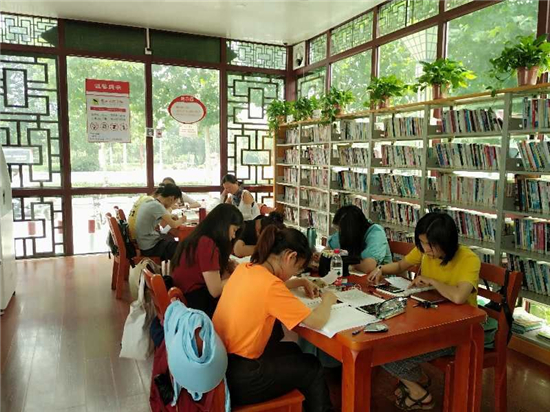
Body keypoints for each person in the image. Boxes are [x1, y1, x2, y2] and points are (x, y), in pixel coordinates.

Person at [213, 226, 336, 412]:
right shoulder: (271, 286)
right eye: (296, 269)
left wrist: (302, 281)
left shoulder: (245, 269)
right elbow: (317, 321)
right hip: (243, 378)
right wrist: (328, 300)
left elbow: (268, 288)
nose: (293, 274)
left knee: (293, 350)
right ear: (290, 256)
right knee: (312, 367)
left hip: (222, 366)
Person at [367, 212, 481, 410]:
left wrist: (432, 281)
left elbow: (459, 297)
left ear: (446, 242)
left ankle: (418, 391)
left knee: (384, 354)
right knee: (380, 345)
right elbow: (401, 265)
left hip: (457, 331)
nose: (425, 249)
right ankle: (417, 383)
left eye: (430, 245)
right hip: (429, 320)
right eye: (421, 243)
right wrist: (381, 269)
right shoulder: (425, 250)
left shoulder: (469, 259)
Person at [170, 203, 244, 318]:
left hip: (186, 299)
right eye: (234, 230)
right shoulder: (207, 244)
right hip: (195, 306)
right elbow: (215, 290)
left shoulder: (198, 237)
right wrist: (239, 274)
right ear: (224, 225)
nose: (234, 236)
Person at [326, 205, 392, 273]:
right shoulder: (347, 233)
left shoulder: (376, 232)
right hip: (356, 275)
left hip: (381, 277)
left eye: (339, 230)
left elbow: (368, 266)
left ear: (349, 230)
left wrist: (343, 261)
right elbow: (327, 252)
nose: (338, 233)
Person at [134, 183, 187, 261]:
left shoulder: (150, 202)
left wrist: (170, 216)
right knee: (183, 248)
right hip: (150, 248)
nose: (172, 205)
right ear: (171, 198)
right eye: (174, 202)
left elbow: (164, 224)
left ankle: (174, 266)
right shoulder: (158, 206)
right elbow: (174, 225)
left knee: (171, 239)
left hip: (144, 244)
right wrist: (182, 220)